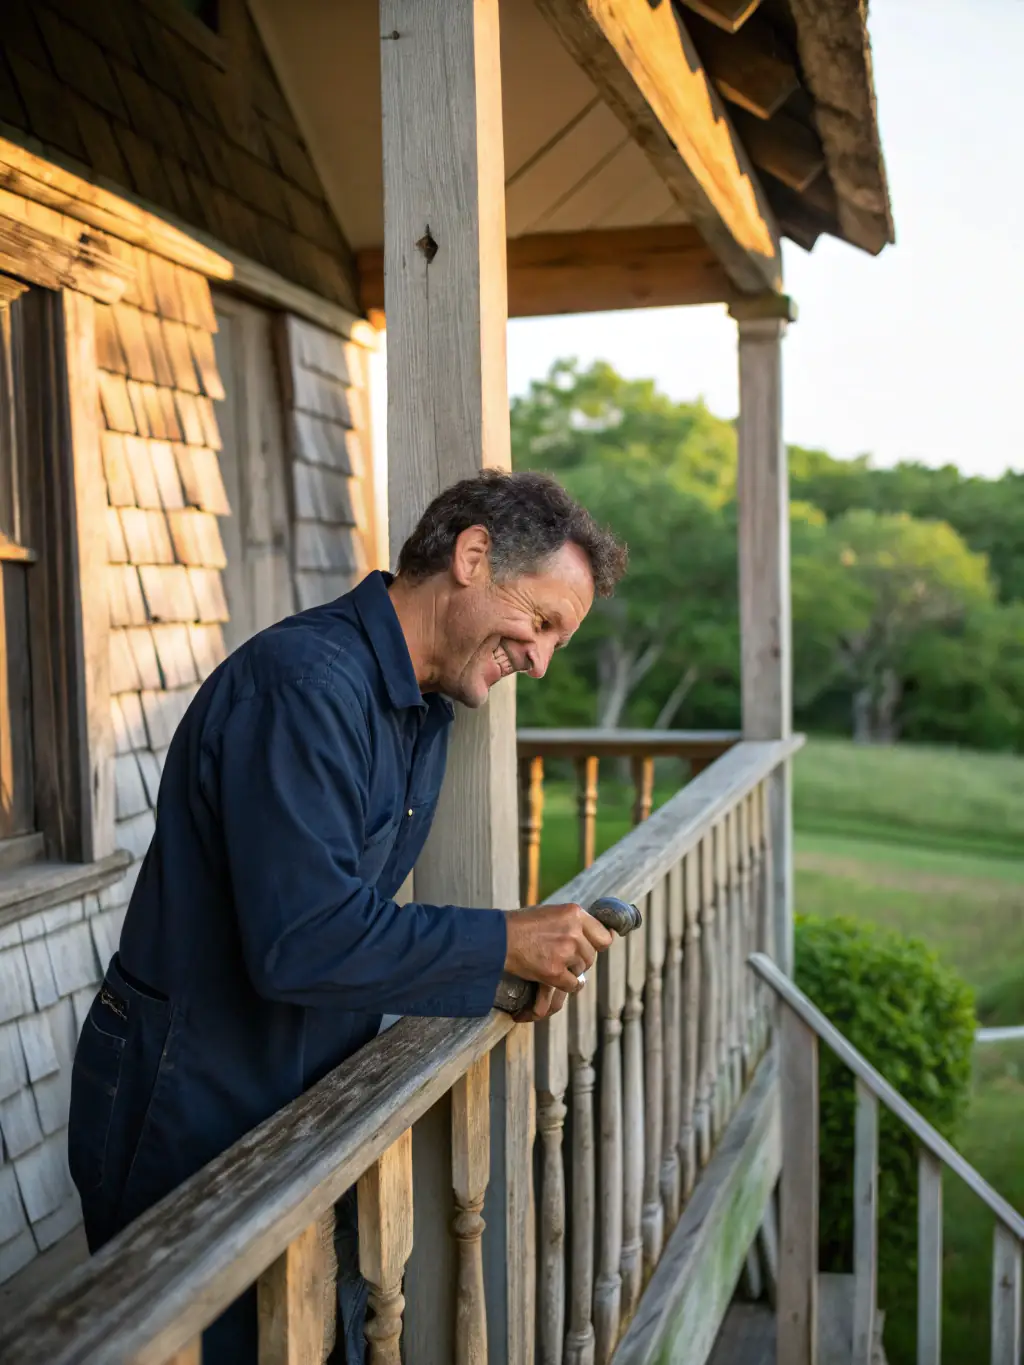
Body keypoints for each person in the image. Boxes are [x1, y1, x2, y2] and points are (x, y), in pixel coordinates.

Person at [68, 468, 627, 1361]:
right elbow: (305, 939)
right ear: (472, 556)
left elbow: (346, 919)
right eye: (544, 621)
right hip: (189, 1093)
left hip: (300, 1091)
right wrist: (503, 940)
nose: (542, 660)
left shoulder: (423, 707)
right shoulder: (302, 686)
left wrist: (496, 967)